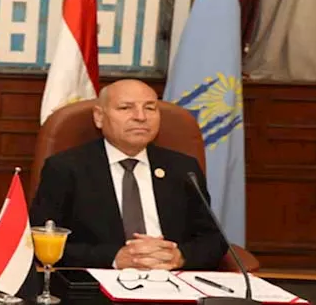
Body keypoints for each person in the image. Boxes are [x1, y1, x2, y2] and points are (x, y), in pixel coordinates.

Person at [29, 79, 227, 271]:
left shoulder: (183, 168)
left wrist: (179, 256)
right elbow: (41, 240)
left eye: (150, 108)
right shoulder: (66, 168)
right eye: (125, 108)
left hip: (171, 279)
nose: (141, 117)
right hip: (99, 282)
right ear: (99, 117)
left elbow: (213, 240)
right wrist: (114, 258)